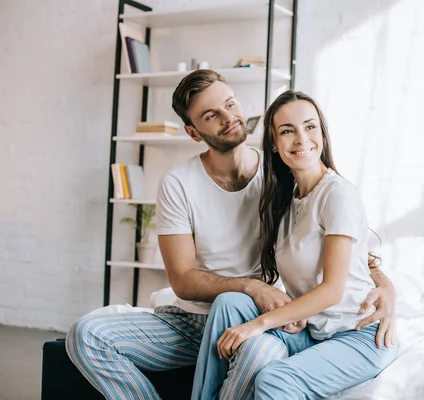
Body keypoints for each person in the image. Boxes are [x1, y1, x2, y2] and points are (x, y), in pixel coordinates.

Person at [65, 70, 396, 400]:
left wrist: (385, 286)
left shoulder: (280, 175)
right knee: (86, 335)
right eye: (211, 115)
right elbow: (180, 280)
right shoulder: (179, 183)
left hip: (257, 315)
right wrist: (252, 286)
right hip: (193, 321)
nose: (228, 118)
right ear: (193, 132)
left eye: (230, 104)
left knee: (259, 356)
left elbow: (341, 244)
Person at [192, 89, 400, 400]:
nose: (301, 138)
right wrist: (290, 309)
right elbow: (344, 263)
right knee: (229, 302)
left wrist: (258, 325)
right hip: (312, 333)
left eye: (310, 126)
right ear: (274, 144)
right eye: (288, 131)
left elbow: (333, 290)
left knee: (275, 381)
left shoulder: (336, 195)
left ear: (323, 135)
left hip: (358, 336)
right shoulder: (286, 203)